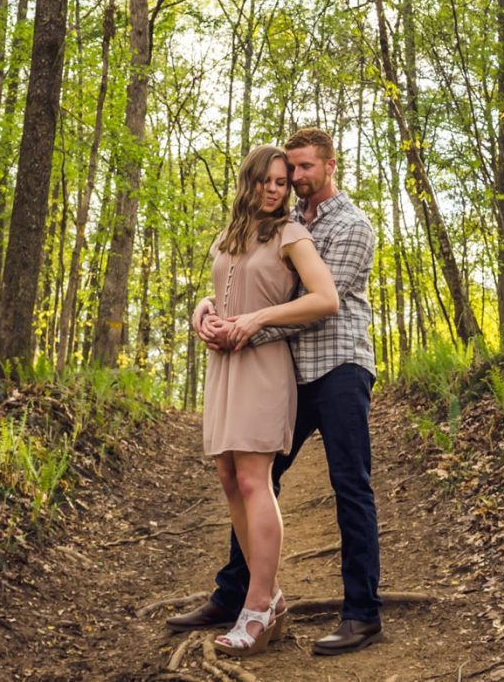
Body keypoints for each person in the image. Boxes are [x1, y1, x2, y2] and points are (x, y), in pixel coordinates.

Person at [169, 127, 384, 656]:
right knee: (250, 479)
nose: (294, 179)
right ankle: (238, 593)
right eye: (289, 171)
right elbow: (254, 280)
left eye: (304, 169)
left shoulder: (350, 227)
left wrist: (244, 325)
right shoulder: (285, 223)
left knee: (349, 485)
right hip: (290, 368)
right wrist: (210, 309)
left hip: (337, 367)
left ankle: (361, 614)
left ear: (330, 166)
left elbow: (313, 302)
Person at [198, 143, 339, 657]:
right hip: (223, 366)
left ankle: (257, 606)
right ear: (250, 181)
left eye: (282, 181)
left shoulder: (290, 232)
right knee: (229, 477)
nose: (276, 188)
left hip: (262, 364)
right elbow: (223, 290)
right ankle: (271, 596)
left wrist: (258, 319)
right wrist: (202, 311)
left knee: (256, 480)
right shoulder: (228, 234)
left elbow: (325, 297)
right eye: (267, 180)